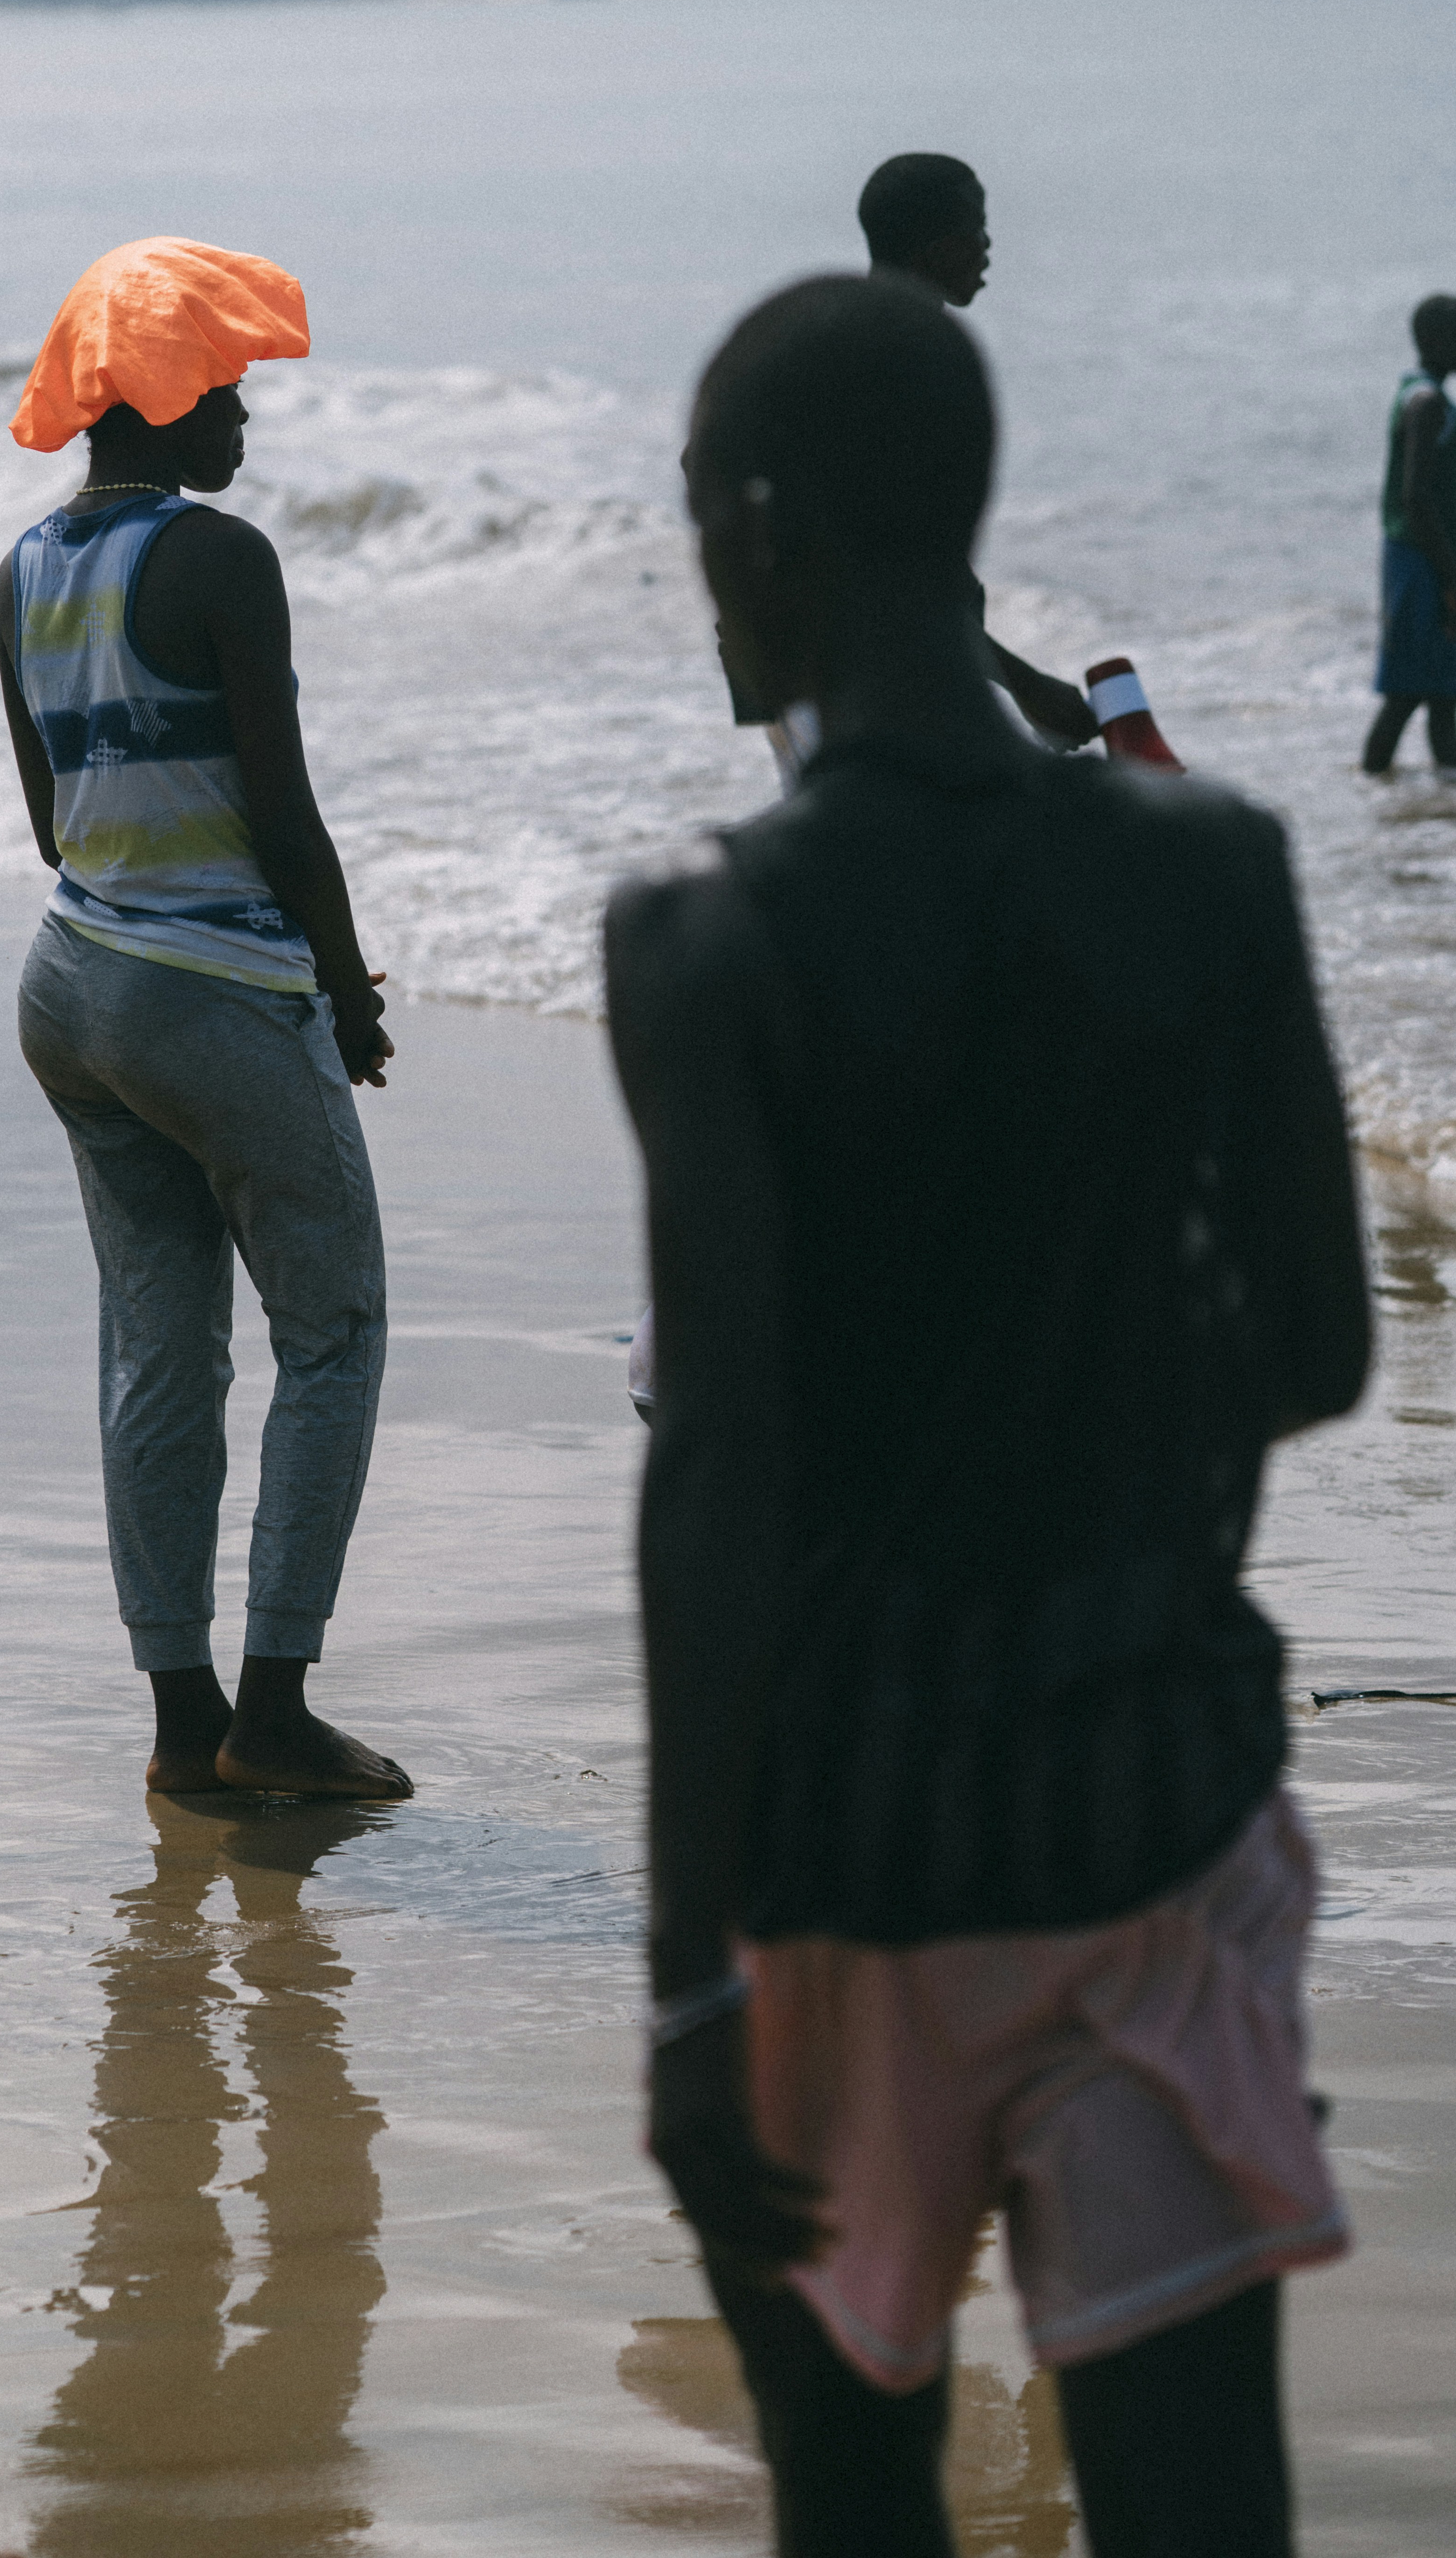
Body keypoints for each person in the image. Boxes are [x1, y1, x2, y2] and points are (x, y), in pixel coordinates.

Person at [607, 273, 1370, 2558]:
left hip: (848, 1876)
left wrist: (677, 1971)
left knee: (855, 2495)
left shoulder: (707, 941)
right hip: (1143, 1823)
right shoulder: (1205, 871)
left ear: (759, 528)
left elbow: (722, 1476)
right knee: (1189, 2507)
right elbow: (1322, 1348)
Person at [0, 238, 410, 1802]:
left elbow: (52, 816)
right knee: (334, 1331)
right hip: (212, 991)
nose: (242, 412)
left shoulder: (25, 564)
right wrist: (349, 992)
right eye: (221, 381)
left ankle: (183, 1721)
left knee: (158, 1355)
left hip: (70, 984)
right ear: (157, 394)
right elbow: (284, 812)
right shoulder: (222, 561)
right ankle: (280, 1704)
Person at [854, 153, 1097, 749]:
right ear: (936, 249)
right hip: (868, 684)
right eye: (977, 228)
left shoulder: (844, 333)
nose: (989, 246)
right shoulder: (903, 361)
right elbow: (897, 587)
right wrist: (1029, 684)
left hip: (823, 674)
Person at [1360, 295, 1456, 779]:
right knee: (1407, 694)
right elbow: (1417, 497)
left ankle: (1435, 811)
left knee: (1444, 691)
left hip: (1411, 557)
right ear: (1437, 340)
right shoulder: (1428, 403)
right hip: (1422, 561)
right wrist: (1450, 574)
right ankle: (1373, 779)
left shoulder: (1413, 391)